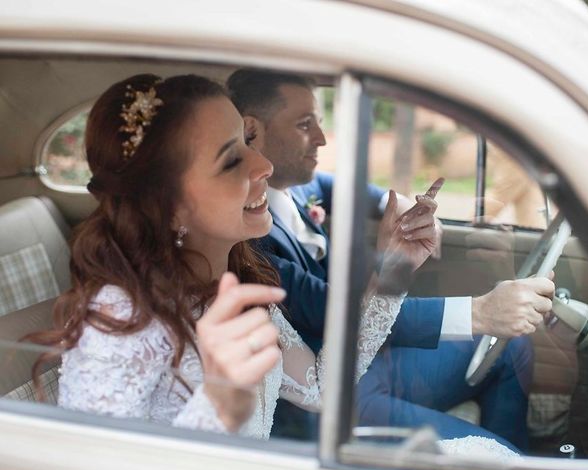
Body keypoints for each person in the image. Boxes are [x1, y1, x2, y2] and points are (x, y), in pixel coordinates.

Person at [24, 74, 442, 442]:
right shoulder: (121, 318)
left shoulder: (234, 282)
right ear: (168, 206)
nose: (263, 165)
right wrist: (220, 398)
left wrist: (394, 268)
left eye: (247, 141)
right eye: (230, 160)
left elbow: (319, 388)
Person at [226, 69, 556, 450]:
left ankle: (523, 449)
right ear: (252, 131)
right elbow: (332, 307)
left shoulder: (301, 187)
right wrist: (479, 312)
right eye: (305, 124)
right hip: (342, 399)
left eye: (319, 121)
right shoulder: (249, 244)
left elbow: (359, 191)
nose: (320, 137)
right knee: (502, 457)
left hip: (378, 358)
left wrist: (405, 215)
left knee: (512, 345)